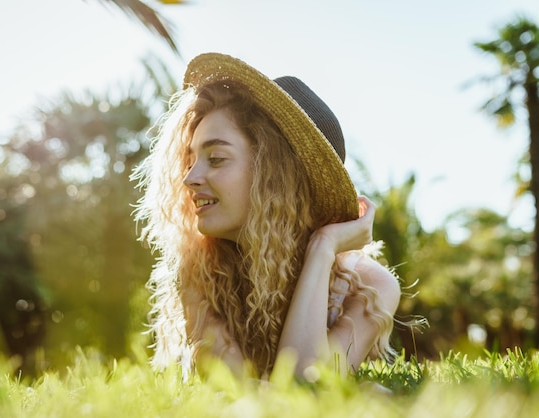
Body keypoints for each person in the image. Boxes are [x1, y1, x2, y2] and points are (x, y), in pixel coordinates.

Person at [132, 52, 401, 379]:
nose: (190, 178)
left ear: (274, 177)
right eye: (191, 160)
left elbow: (306, 385)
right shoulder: (199, 275)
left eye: (215, 159)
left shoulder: (369, 288)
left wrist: (323, 248)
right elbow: (247, 397)